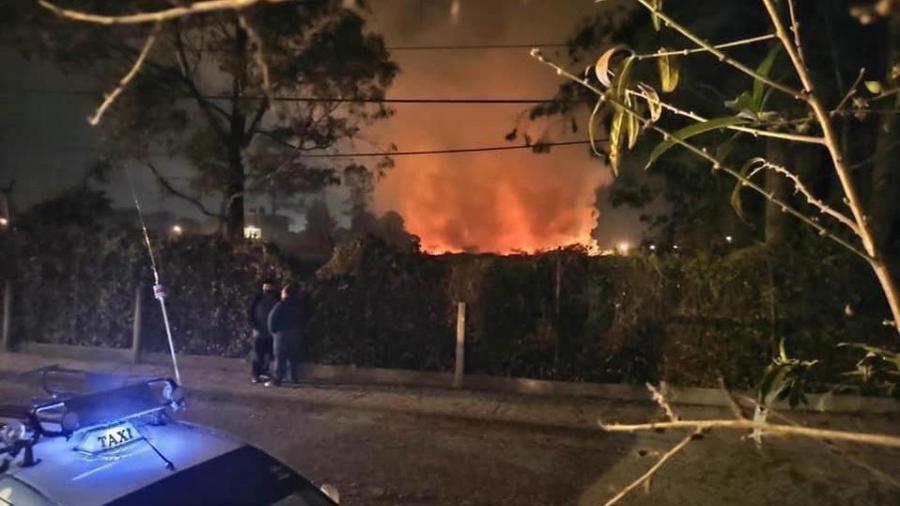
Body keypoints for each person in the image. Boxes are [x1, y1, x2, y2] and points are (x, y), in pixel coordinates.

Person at [266, 282, 308, 387]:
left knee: (280, 357)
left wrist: (273, 332)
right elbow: (304, 319)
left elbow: (271, 319)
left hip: (282, 334)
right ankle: (293, 377)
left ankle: (277, 379)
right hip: (295, 333)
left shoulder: (281, 305)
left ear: (286, 293)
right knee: (293, 357)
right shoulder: (299, 305)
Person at [248, 279, 279, 383]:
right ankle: (255, 374)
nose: (267, 289)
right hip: (260, 330)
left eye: (269, 287)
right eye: (266, 287)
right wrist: (254, 326)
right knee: (258, 354)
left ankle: (264, 372)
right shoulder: (258, 297)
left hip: (271, 331)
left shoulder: (276, 297)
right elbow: (250, 312)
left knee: (268, 354)